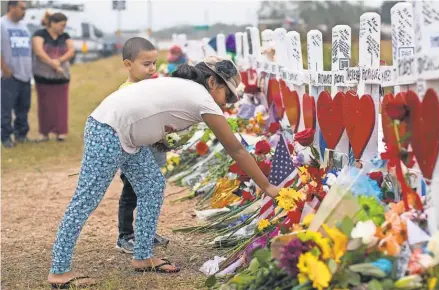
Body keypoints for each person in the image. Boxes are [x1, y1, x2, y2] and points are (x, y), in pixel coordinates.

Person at [47, 56, 280, 288]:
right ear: (212, 82)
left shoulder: (189, 90)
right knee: (85, 200)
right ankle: (58, 271)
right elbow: (237, 149)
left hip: (126, 135)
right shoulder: (203, 100)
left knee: (152, 186)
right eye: (227, 94)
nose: (228, 102)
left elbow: (151, 111)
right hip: (108, 131)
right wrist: (267, 187)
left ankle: (143, 256)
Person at [115, 37, 170, 254]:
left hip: (151, 149)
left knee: (151, 193)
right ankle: (125, 235)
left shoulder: (150, 87)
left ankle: (145, 231)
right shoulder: (126, 91)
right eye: (146, 64)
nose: (152, 68)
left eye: (154, 63)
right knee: (131, 193)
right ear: (128, 65)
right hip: (133, 152)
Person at [32, 12, 75, 142]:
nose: (63, 28)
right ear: (53, 23)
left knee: (61, 105)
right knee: (45, 104)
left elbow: (71, 50)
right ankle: (44, 133)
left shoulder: (65, 36)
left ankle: (61, 132)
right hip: (43, 76)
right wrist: (53, 64)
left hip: (62, 77)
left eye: (65, 25)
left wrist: (59, 60)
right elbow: (39, 52)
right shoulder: (40, 34)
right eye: (62, 25)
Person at [1, 1, 32, 148]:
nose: (24, 11)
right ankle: (6, 137)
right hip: (9, 76)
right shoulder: (2, 25)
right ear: (11, 7)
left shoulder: (23, 26)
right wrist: (4, 68)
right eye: (22, 8)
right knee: (6, 108)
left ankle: (21, 135)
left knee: (23, 107)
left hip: (25, 74)